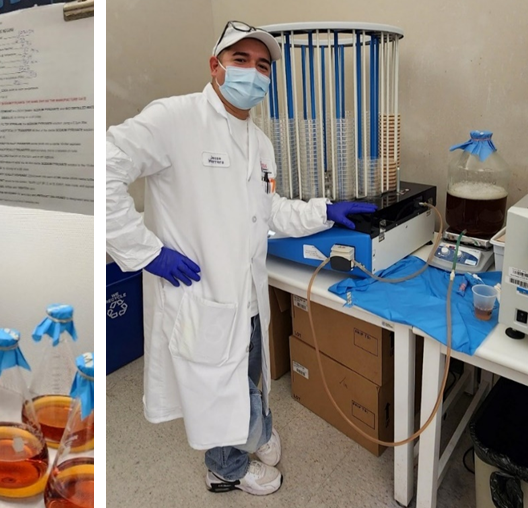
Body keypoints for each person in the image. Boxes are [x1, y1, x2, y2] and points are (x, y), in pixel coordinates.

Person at [105, 20, 377, 496]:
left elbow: (268, 212)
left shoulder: (259, 142)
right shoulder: (175, 118)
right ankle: (226, 469)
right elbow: (103, 168)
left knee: (246, 373)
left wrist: (324, 210)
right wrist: (146, 252)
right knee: (216, 387)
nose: (253, 72)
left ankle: (257, 431)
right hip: (199, 291)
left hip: (247, 293)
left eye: (263, 66)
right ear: (216, 67)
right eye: (241, 60)